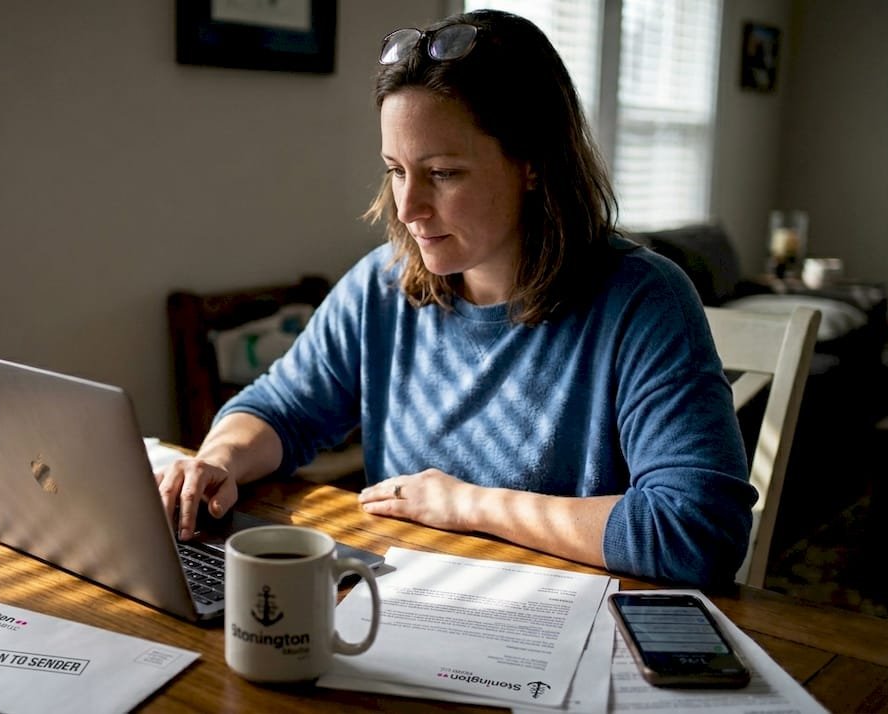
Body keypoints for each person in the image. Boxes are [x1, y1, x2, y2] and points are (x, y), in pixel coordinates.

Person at [156, 9, 756, 586]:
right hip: (405, 605)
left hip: (568, 625)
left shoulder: (643, 302)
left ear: (532, 164)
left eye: (442, 173)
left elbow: (698, 530)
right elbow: (280, 409)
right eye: (396, 170)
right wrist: (218, 459)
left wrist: (467, 505)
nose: (407, 208)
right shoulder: (381, 286)